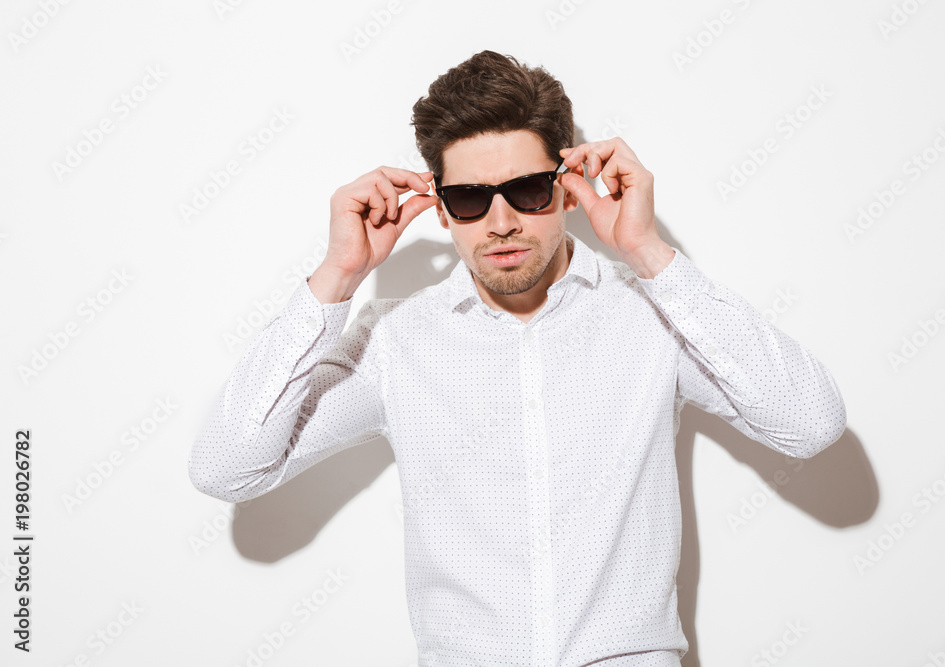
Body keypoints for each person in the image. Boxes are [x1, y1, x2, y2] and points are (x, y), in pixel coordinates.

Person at [188, 50, 847, 667]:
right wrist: (338, 273)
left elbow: (811, 424)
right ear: (442, 212)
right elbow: (227, 468)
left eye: (528, 190)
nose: (500, 221)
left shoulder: (650, 317)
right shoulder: (397, 342)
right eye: (471, 198)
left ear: (565, 189)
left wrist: (648, 253)